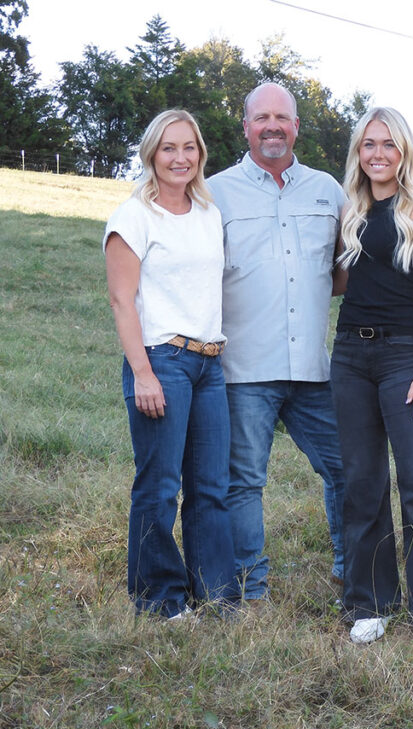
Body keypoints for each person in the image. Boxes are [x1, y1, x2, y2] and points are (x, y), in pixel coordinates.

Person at [331, 107, 413, 651]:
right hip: (349, 358)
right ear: (358, 153)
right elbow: (341, 281)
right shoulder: (350, 209)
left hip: (405, 358)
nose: (378, 154)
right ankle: (370, 601)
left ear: (404, 150)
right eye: (368, 145)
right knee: (361, 481)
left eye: (388, 144)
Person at [207, 82, 347, 603]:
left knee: (346, 470)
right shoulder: (215, 191)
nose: (272, 126)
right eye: (261, 117)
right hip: (245, 367)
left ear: (295, 128)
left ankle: (350, 569)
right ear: (244, 126)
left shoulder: (327, 190)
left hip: (314, 367)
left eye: (282, 118)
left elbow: (343, 270)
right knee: (243, 482)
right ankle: (251, 587)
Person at [103, 109, 234, 619]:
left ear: (200, 154)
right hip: (162, 362)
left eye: (189, 148)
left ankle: (215, 594)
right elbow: (121, 300)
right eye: (168, 149)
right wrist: (142, 374)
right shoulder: (133, 217)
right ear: (151, 154)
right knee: (159, 486)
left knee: (210, 487)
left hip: (209, 364)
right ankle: (160, 598)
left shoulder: (207, 212)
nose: (180, 158)